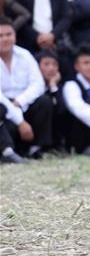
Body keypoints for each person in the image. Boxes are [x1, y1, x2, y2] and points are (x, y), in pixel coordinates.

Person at [0, 17, 54, 159]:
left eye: (8, 35)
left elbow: (38, 84)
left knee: (45, 101)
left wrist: (19, 102)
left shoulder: (24, 55)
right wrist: (20, 121)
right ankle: (8, 152)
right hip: (3, 107)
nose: (5, 39)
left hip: (23, 102)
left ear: (15, 36)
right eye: (0, 36)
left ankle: (37, 149)